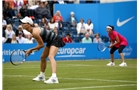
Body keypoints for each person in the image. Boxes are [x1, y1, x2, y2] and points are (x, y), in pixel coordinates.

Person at [20, 16, 65, 84]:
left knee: (51, 56)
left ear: (28, 24)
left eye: (23, 23)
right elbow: (40, 45)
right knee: (43, 57)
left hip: (56, 39)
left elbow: (41, 45)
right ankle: (42, 76)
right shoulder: (33, 31)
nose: (22, 24)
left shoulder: (35, 32)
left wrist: (31, 50)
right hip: (50, 41)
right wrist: (35, 48)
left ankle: (54, 78)